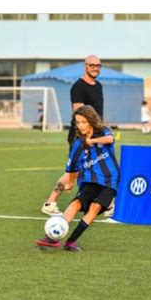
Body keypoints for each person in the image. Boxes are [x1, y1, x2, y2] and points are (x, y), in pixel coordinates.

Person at [36, 106, 119, 252]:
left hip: (110, 180)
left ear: (91, 121)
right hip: (90, 180)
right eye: (78, 123)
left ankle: (70, 242)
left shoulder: (102, 131)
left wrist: (92, 141)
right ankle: (52, 237)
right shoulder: (77, 145)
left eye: (83, 122)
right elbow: (72, 168)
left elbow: (110, 138)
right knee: (76, 203)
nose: (80, 126)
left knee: (95, 208)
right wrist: (71, 182)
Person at [41, 55, 104, 216]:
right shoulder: (78, 87)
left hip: (95, 135)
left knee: (100, 168)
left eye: (98, 65)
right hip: (80, 136)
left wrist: (102, 129)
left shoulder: (99, 86)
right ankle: (50, 202)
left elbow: (98, 114)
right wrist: (87, 136)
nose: (95, 68)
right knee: (72, 175)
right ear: (85, 66)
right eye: (92, 65)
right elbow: (80, 114)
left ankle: (106, 204)